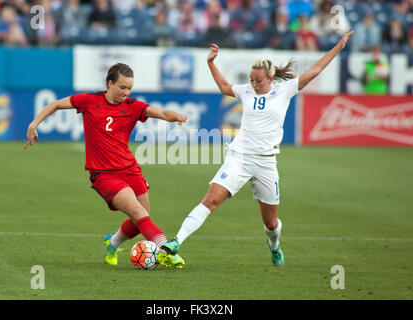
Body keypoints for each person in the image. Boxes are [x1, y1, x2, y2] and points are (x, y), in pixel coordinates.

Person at [161, 30, 354, 267]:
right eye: (251, 79)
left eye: (258, 80)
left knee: (271, 223)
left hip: (266, 162)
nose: (253, 83)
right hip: (239, 157)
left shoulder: (285, 90)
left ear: (270, 78)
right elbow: (224, 86)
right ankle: (176, 241)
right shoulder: (246, 90)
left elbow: (315, 71)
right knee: (211, 200)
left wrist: (337, 47)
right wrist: (211, 62)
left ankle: (274, 247)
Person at [24, 63, 187, 269]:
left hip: (130, 169)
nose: (126, 92)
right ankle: (165, 251)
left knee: (141, 219)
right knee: (139, 214)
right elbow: (55, 104)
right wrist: (33, 124)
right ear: (109, 83)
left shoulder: (133, 105)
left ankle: (113, 243)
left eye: (129, 88)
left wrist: (178, 117)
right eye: (122, 87)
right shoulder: (89, 100)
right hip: (104, 174)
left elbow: (163, 113)